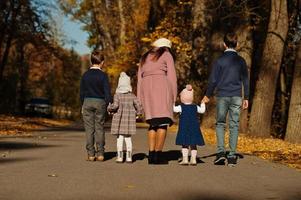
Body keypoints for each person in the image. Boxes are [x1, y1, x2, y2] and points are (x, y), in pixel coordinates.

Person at [202, 32, 249, 167]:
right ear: (237, 44)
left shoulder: (220, 61)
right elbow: (245, 80)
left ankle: (221, 153)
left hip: (222, 96)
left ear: (224, 45)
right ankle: (232, 155)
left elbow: (213, 80)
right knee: (234, 124)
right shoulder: (241, 61)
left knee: (220, 124)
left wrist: (207, 95)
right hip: (237, 96)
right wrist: (246, 97)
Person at [137, 38, 177, 164]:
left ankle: (151, 154)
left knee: (153, 123)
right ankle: (158, 155)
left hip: (146, 90)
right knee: (163, 122)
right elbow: (172, 77)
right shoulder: (166, 54)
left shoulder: (144, 57)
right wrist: (173, 97)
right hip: (162, 88)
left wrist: (140, 99)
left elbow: (139, 80)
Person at [80, 50, 112, 162]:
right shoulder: (103, 76)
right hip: (100, 102)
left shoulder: (85, 75)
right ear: (102, 62)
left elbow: (82, 92)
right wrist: (109, 104)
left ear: (91, 61)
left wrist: (82, 104)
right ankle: (100, 153)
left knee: (89, 129)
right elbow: (107, 92)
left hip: (87, 101)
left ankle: (90, 154)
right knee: (99, 128)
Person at [107, 72, 143, 163]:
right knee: (128, 138)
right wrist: (138, 113)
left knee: (120, 138)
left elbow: (115, 106)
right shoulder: (132, 96)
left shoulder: (117, 95)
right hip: (129, 121)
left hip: (119, 121)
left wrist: (109, 108)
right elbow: (139, 105)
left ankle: (120, 157)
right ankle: (129, 157)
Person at [174, 84, 205, 166]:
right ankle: (193, 159)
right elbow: (202, 111)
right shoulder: (195, 107)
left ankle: (185, 159)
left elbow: (173, 109)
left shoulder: (181, 107)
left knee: (185, 144)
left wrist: (172, 103)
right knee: (193, 144)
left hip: (184, 128)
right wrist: (203, 103)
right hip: (194, 128)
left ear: (182, 98)